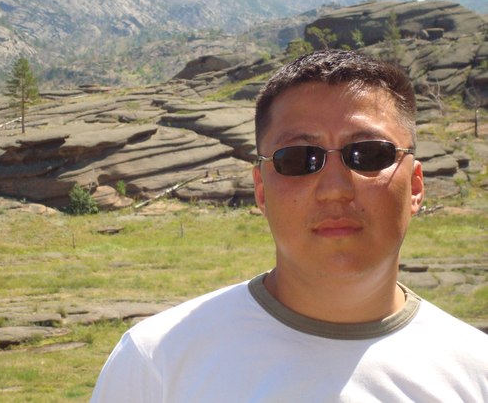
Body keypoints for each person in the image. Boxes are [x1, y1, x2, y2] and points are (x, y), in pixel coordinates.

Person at [91, 49, 488, 402]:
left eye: (368, 154)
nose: (335, 190)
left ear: (416, 186)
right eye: (299, 159)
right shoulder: (156, 364)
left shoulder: (477, 373)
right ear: (261, 190)